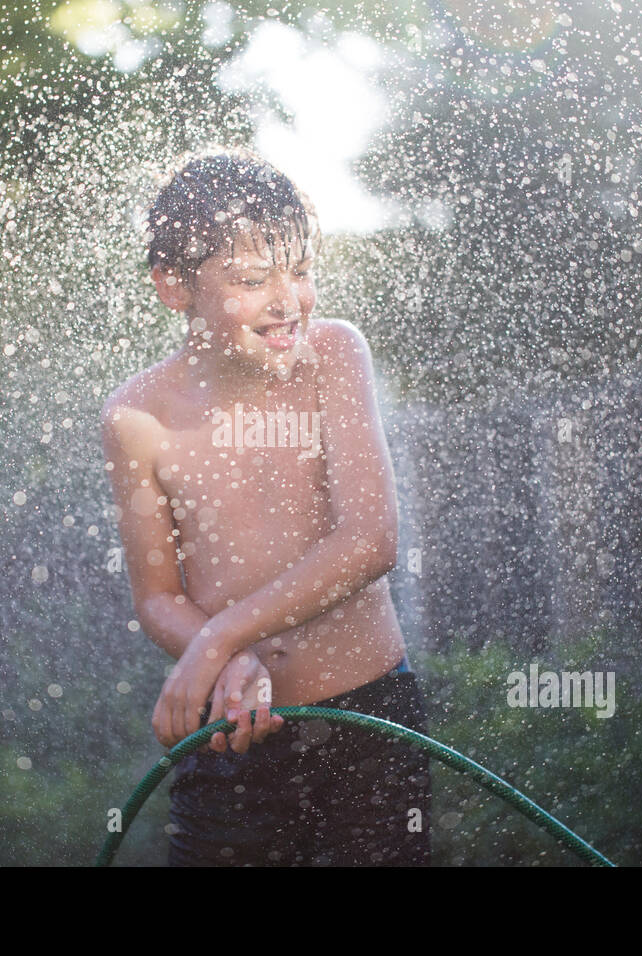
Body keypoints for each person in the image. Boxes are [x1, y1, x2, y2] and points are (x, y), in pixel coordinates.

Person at [99, 148, 430, 866]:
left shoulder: (333, 356)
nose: (288, 302)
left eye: (302, 272)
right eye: (252, 281)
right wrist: (231, 663)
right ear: (172, 286)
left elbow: (370, 542)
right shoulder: (137, 417)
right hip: (229, 727)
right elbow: (157, 597)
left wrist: (215, 642)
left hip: (368, 716)